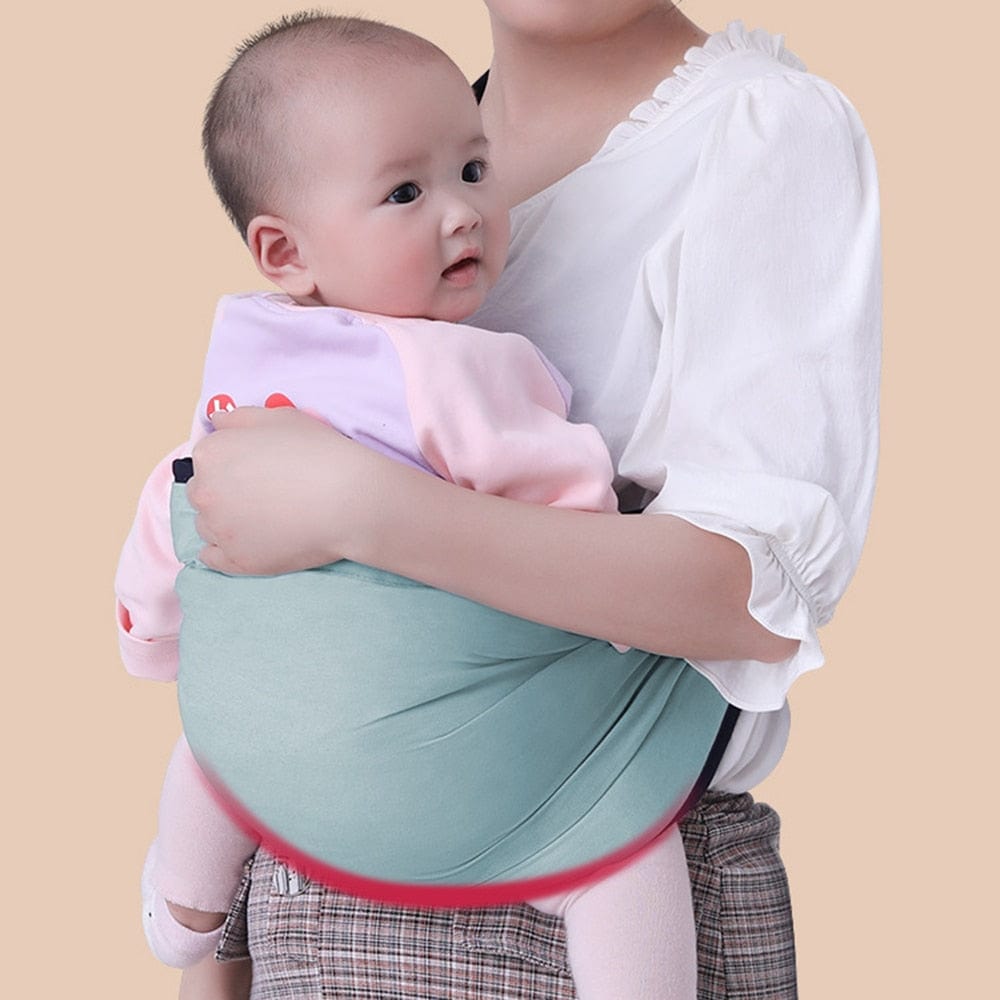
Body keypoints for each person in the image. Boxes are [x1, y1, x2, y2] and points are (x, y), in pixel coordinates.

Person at [180, 3, 880, 998]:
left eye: (470, 177)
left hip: (592, 861)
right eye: (417, 190)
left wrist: (361, 507)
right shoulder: (371, 119)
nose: (458, 208)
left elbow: (755, 594)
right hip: (301, 865)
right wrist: (223, 946)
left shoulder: (758, 132)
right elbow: (261, 580)